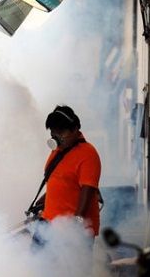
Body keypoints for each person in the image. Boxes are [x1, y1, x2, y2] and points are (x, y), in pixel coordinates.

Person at [33, 105, 102, 249]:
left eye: (61, 132)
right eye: (53, 134)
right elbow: (60, 182)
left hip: (73, 229)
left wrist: (76, 223)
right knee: (37, 266)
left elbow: (88, 189)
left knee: (72, 270)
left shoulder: (88, 154)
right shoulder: (58, 151)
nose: (57, 138)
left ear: (75, 128)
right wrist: (42, 201)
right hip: (49, 222)